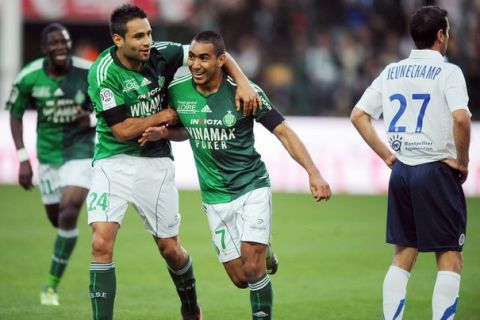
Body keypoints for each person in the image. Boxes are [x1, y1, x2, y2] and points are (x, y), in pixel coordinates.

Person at [139, 30, 332, 320]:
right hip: (215, 196)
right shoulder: (177, 89)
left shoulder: (245, 92)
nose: (196, 64)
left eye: (204, 58)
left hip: (250, 186)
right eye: (192, 57)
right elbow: (187, 130)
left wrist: (313, 173)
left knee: (253, 269)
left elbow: (284, 132)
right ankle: (266, 251)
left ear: (221, 61)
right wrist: (164, 132)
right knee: (241, 278)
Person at [87, 5, 262, 320]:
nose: (147, 41)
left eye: (149, 33)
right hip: (112, 160)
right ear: (117, 39)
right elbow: (122, 129)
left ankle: (191, 308)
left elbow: (217, 53)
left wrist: (244, 83)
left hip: (156, 161)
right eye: (138, 36)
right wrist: (166, 115)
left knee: (170, 248)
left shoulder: (163, 53)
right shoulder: (103, 73)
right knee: (101, 241)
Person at [350, 6, 471, 320]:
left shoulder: (391, 71)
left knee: (403, 255)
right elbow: (461, 119)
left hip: (402, 171)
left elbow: (358, 115)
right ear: (441, 35)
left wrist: (388, 156)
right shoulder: (449, 72)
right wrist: (463, 161)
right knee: (450, 257)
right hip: (436, 170)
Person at [6, 23, 95, 306]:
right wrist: (22, 157)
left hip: (81, 150)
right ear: (45, 49)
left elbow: (110, 104)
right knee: (58, 219)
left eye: (65, 42)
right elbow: (16, 115)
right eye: (54, 43)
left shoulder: (88, 71)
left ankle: (51, 286)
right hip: (47, 156)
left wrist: (91, 119)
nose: (61, 47)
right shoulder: (29, 77)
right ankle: (66, 240)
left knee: (69, 211)